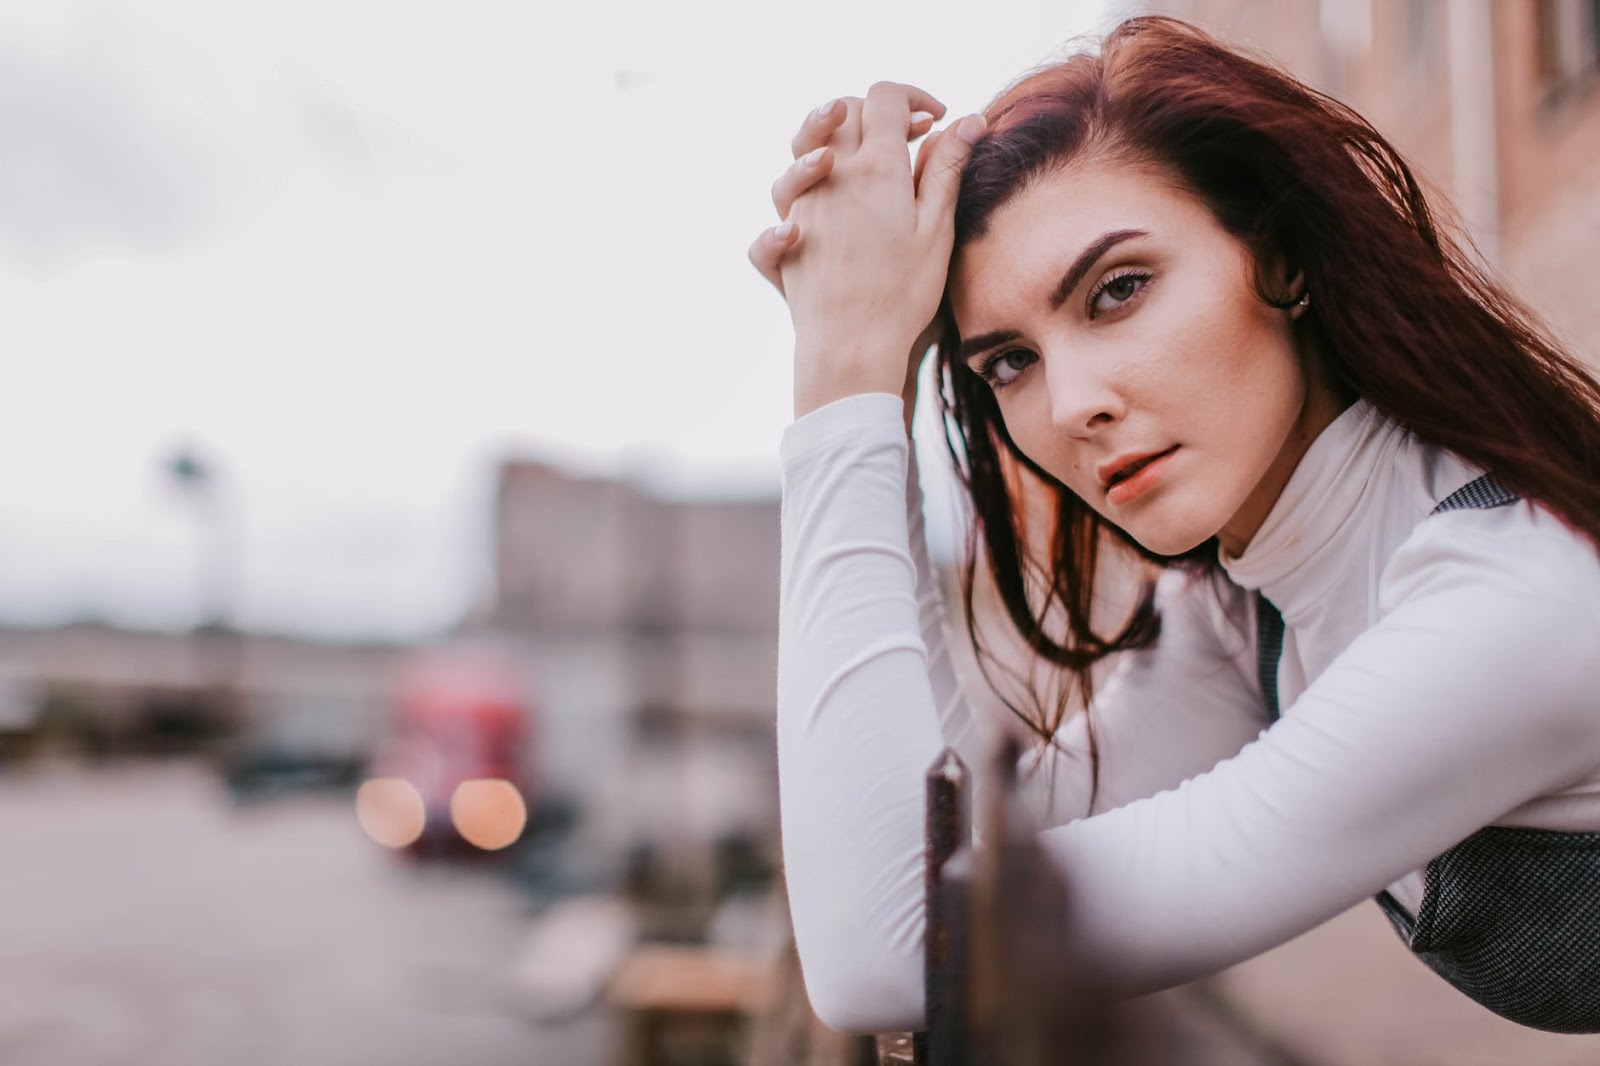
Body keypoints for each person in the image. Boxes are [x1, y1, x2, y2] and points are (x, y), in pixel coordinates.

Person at [747, 15, 1600, 1037]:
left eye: (1118, 291)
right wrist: (871, 382)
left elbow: (896, 955)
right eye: (1007, 362)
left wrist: (837, 388)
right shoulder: (1244, 609)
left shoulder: (1511, 599)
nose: (1070, 404)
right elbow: (953, 857)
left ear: (1276, 259)